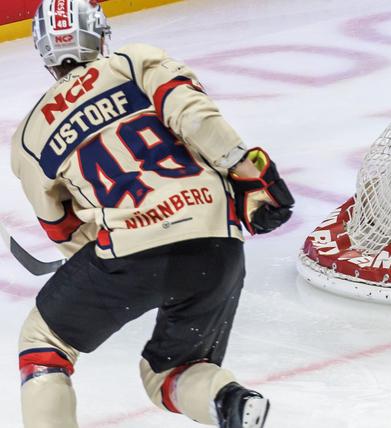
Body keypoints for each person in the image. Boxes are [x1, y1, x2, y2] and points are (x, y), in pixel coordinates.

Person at [13, 1, 294, 427]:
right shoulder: (136, 61)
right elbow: (195, 119)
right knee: (172, 371)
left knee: (43, 341)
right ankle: (229, 402)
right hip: (216, 242)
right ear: (101, 35)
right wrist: (249, 173)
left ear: (44, 53)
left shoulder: (30, 135)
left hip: (130, 252)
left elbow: (65, 230)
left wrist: (100, 271)